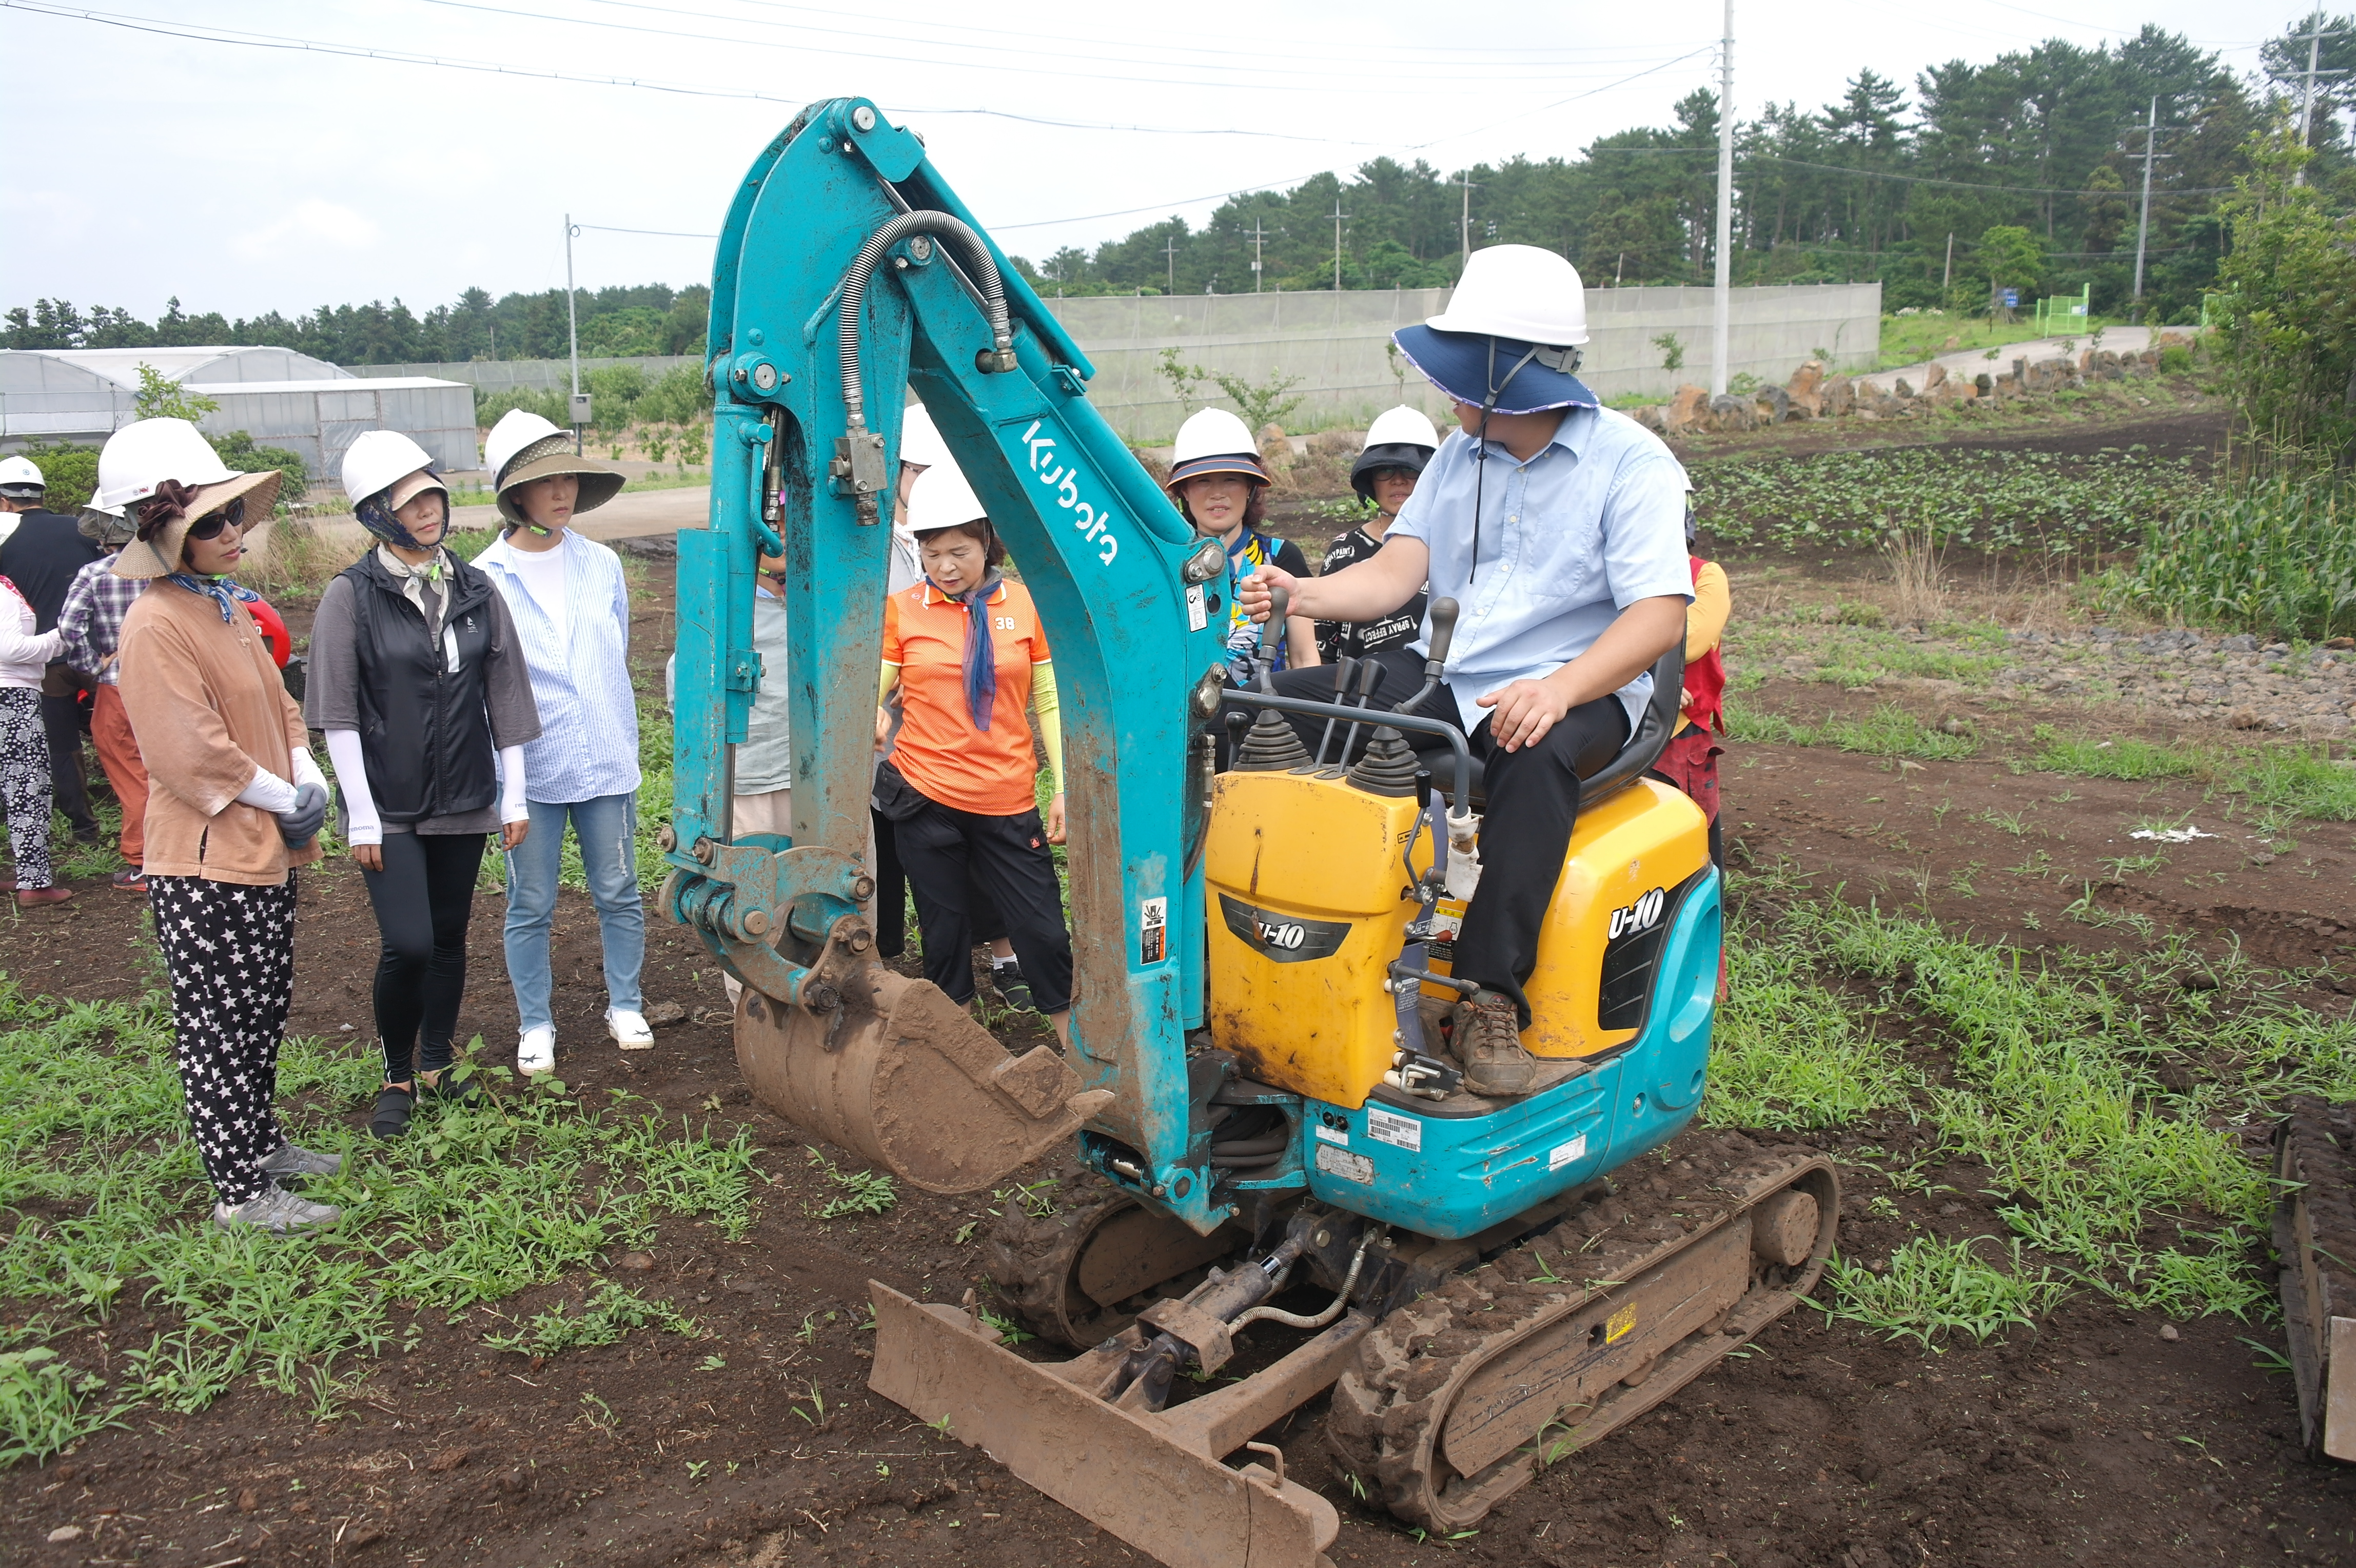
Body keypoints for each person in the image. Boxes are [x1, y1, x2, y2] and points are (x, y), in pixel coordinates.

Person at [1238, 244, 1692, 1099]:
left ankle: (1490, 997)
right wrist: (1303, 593)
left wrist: (1558, 688)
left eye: (1462, 364)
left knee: (1535, 751)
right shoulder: (1457, 455)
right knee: (1277, 708)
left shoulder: (1631, 465)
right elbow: (1394, 575)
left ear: (1510, 372)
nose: (1447, 384)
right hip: (1463, 673)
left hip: (1585, 687)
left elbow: (1660, 616)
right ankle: (1292, 931)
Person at [103, 417, 340, 1235]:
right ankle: (241, 1192)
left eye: (231, 515)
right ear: (165, 535)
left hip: (259, 847)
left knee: (262, 1005)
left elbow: (277, 701)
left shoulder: (225, 608)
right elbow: (186, 751)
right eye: (208, 523)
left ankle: (262, 1145)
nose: (231, 532)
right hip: (205, 862)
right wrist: (284, 796)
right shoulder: (156, 624)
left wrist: (306, 776)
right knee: (218, 1022)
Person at [310, 430, 540, 1138]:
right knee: (405, 943)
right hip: (391, 803)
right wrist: (361, 813)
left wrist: (514, 792)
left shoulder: (476, 588)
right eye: (410, 502)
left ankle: (437, 1064)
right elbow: (337, 710)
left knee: (447, 938)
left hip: (467, 795)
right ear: (377, 512)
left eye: (432, 495)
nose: (428, 510)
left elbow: (507, 694)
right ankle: (395, 1072)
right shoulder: (351, 596)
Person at [873, 464, 1074, 1045]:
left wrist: (1062, 785)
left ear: (986, 540)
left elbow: (1049, 699)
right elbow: (877, 683)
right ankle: (957, 1056)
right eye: (931, 553)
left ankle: (1075, 1046)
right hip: (924, 797)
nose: (945, 567)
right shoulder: (903, 609)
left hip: (1006, 796)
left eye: (958, 551)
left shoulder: (1025, 604)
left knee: (1043, 929)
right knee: (943, 932)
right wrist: (873, 708)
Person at [471, 409, 644, 1076]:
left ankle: (625, 1002)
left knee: (618, 889)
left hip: (604, 757)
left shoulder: (601, 565)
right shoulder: (483, 578)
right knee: (531, 901)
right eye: (548, 482)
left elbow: (615, 651)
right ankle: (536, 1021)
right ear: (517, 495)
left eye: (569, 477)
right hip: (529, 768)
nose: (563, 491)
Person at [1167, 408, 1318, 684]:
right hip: (1184, 723)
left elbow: (1305, 658)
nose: (1218, 493)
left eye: (1231, 479)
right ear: (1184, 491)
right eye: (1202, 480)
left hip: (1265, 722)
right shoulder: (1168, 565)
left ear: (1250, 488)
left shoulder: (1281, 557)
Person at [0, 455, 105, 849]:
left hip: (43, 663)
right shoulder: (81, 531)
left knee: (64, 747)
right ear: (42, 494)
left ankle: (85, 830)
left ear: (5, 501)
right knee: (125, 734)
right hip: (96, 653)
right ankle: (144, 819)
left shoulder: (6, 542)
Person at [54, 505, 152, 890]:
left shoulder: (95, 574)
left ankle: (145, 861)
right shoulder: (166, 569)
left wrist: (93, 667)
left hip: (118, 685)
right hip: (170, 683)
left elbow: (69, 628)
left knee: (130, 773)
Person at [1316, 405, 1439, 664]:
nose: (1398, 481)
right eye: (1385, 470)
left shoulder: (1453, 546)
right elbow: (1323, 648)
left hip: (1435, 697)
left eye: (1411, 470)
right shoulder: (1344, 549)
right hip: (1354, 700)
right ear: (1370, 480)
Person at [1646, 513, 1729, 874]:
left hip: (1680, 731)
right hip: (1627, 722)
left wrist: (1629, 668)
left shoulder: (1707, 575)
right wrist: (1647, 679)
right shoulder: (1624, 579)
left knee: (1692, 831)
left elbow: (1691, 639)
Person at [1, 564, 68, 906]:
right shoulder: (2, 593)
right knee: (26, 788)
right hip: (10, 697)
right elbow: (11, 649)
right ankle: (35, 882)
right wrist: (61, 637)